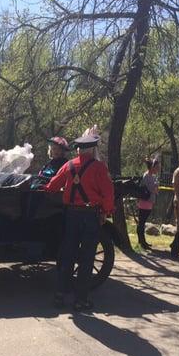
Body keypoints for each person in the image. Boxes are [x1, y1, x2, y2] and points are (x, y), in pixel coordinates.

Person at [44, 126, 114, 312]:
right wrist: (106, 211)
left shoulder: (69, 165)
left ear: (79, 149)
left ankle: (60, 295)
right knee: (86, 258)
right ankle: (80, 300)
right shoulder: (99, 168)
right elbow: (108, 193)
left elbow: (51, 186)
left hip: (71, 215)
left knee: (67, 255)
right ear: (92, 149)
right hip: (90, 216)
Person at [136, 158, 160, 249]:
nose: (158, 169)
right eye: (156, 167)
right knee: (141, 222)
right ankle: (141, 241)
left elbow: (156, 190)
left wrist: (155, 188)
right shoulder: (146, 176)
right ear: (152, 167)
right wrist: (155, 188)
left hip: (150, 201)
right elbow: (150, 189)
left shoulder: (153, 177)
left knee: (143, 222)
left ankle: (143, 241)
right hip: (144, 202)